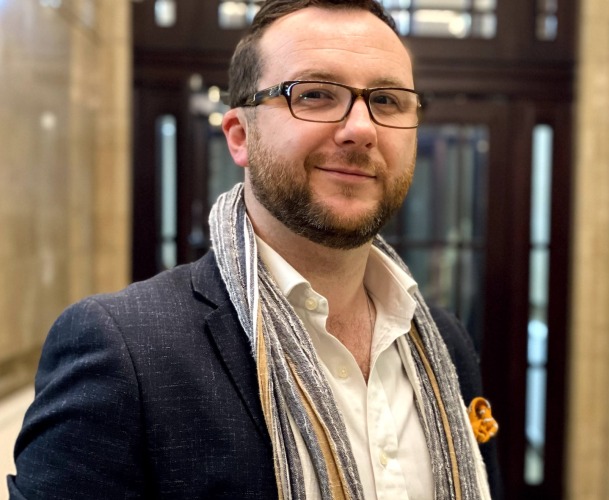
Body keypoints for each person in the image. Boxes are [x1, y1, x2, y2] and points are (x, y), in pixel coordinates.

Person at [7, 0, 501, 498]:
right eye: (315, 94)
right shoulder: (121, 353)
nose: (361, 129)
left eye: (388, 100)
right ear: (240, 137)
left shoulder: (443, 343)